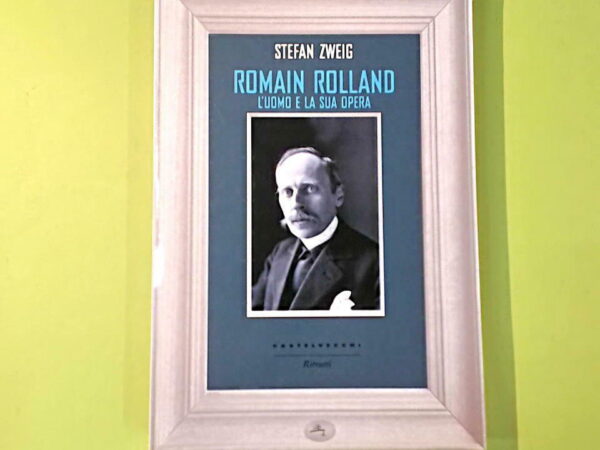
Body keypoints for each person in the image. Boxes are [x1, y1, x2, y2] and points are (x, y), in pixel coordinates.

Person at [252, 147, 380, 311]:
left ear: (338, 195)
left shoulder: (374, 264)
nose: (296, 203)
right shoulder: (279, 253)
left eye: (309, 189)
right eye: (287, 192)